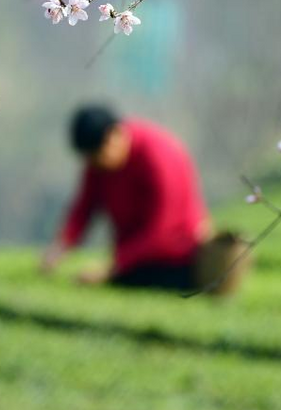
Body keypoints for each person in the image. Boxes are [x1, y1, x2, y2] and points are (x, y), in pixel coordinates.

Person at [40, 105, 210, 291]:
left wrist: (114, 265)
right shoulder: (98, 165)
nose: (97, 164)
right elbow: (85, 206)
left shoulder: (159, 157)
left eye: (99, 156)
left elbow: (162, 230)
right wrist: (62, 244)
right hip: (131, 255)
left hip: (176, 258)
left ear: (116, 135)